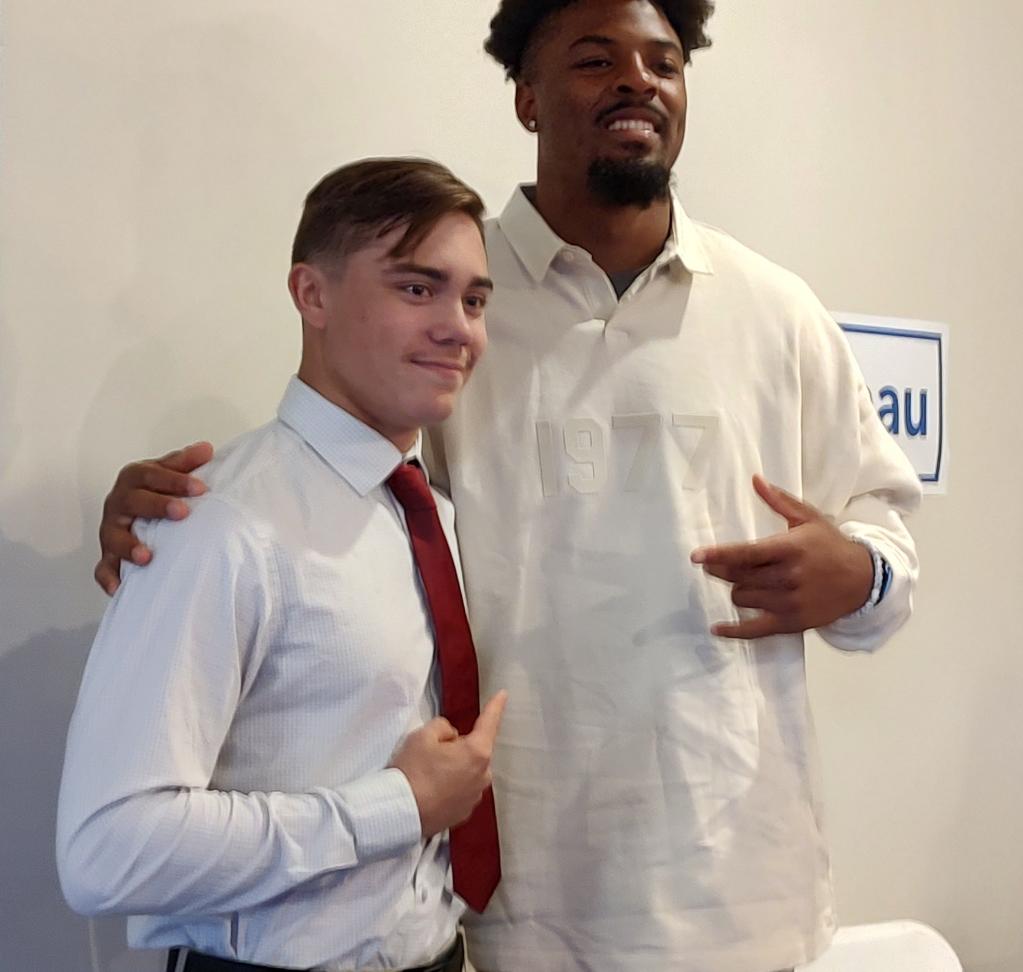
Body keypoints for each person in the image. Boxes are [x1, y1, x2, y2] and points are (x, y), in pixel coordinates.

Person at [93, 2, 923, 970]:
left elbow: (887, 543)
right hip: (506, 896)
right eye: (594, 58)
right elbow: (331, 507)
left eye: (664, 61)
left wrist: (860, 576)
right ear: (527, 98)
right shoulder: (448, 307)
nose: (638, 81)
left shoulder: (777, 310)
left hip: (742, 883)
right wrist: (176, 513)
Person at [60, 158, 509, 972]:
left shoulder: (430, 511)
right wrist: (397, 806)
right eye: (418, 289)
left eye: (474, 299)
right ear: (313, 295)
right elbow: (106, 851)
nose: (459, 327)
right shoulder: (217, 524)